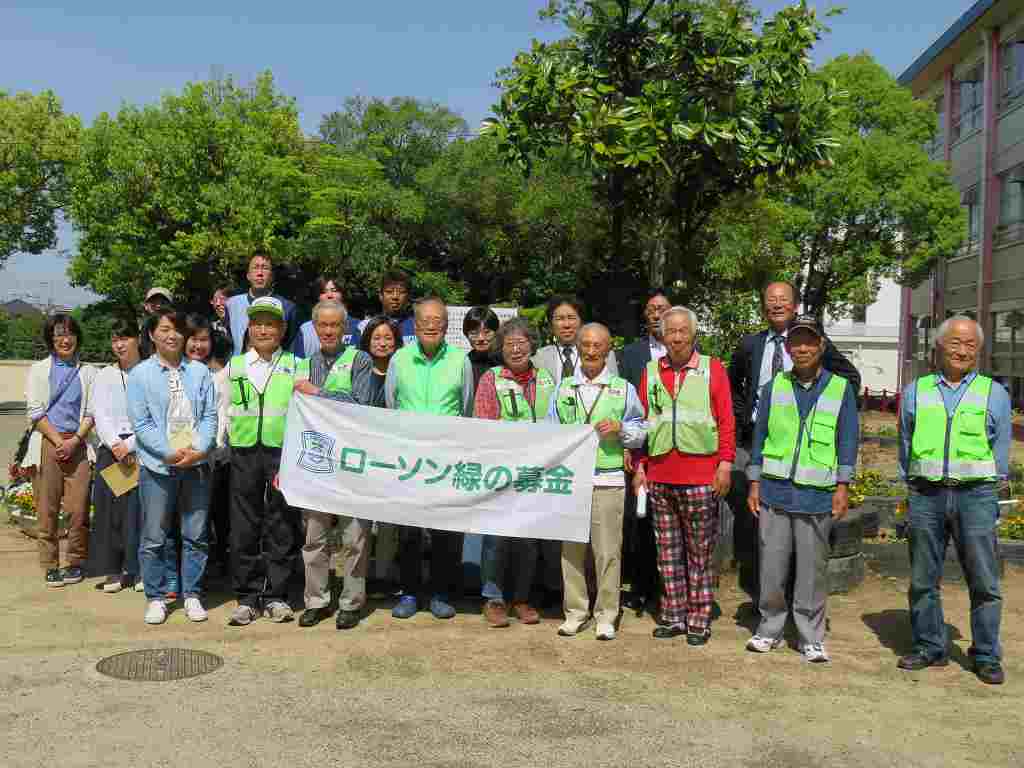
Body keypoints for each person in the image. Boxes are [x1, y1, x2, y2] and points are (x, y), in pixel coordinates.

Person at [727, 280, 860, 602]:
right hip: (758, 444)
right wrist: (748, 416)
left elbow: (851, 379)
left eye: (783, 299)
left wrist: (821, 410)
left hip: (807, 450)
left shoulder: (814, 343)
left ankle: (797, 598)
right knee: (758, 521)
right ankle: (761, 595)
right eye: (770, 300)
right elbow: (732, 386)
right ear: (763, 307)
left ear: (794, 304)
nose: (776, 304)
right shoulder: (751, 345)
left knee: (802, 529)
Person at [897, 315, 1011, 685]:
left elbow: (1000, 453)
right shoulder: (916, 390)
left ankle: (986, 654)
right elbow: (905, 443)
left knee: (984, 581)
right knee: (922, 578)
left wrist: (992, 496)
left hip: (975, 496)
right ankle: (930, 646)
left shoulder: (994, 393)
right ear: (940, 347)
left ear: (978, 351)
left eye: (970, 345)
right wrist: (913, 485)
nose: (962, 351)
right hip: (926, 494)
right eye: (955, 343)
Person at [744, 314, 858, 662]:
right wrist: (753, 482)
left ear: (821, 345)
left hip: (816, 494)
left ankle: (810, 635)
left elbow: (847, 439)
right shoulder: (773, 387)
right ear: (789, 348)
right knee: (772, 567)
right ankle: (770, 628)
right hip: (775, 492)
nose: (803, 348)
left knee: (811, 569)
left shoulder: (841, 389)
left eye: (809, 341)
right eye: (796, 342)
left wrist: (843, 485)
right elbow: (759, 438)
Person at [633, 307, 736, 646]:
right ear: (662, 336)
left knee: (700, 552)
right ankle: (673, 615)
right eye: (670, 332)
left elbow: (726, 421)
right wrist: (640, 466)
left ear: (693, 335)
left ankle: (698, 619)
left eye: (682, 331)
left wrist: (724, 464)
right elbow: (643, 422)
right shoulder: (650, 371)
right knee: (667, 553)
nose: (676, 337)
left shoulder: (712, 369)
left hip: (700, 476)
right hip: (661, 474)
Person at [548, 323, 645, 641]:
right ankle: (575, 612)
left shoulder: (623, 388)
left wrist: (620, 428)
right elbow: (549, 431)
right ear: (577, 347)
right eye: (585, 345)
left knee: (607, 551)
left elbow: (641, 430)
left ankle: (606, 614)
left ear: (608, 349)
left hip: (608, 477)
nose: (591, 351)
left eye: (597, 346)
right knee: (571, 550)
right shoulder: (563, 388)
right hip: (572, 480)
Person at [385, 296, 474, 619]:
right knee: (408, 529)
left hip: (446, 459)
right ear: (416, 324)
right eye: (425, 321)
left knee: (445, 529)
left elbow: (466, 409)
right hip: (409, 460)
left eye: (438, 321)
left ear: (446, 326)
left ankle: (441, 592)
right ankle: (409, 592)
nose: (432, 325)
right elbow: (391, 404)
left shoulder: (460, 361)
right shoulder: (400, 359)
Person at [127, 307, 217, 625]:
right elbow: (142, 423)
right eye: (164, 329)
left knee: (195, 534)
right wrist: (168, 453)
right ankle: (157, 596)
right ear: (152, 334)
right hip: (158, 467)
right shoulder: (140, 375)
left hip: (196, 465)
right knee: (154, 536)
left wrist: (199, 449)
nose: (172, 334)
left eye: (177, 328)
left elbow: (209, 417)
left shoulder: (200, 372)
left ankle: (192, 594)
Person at [292, 299, 376, 630]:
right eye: (322, 325)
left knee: (355, 536)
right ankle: (316, 600)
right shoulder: (304, 363)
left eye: (335, 325)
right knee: (314, 535)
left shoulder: (361, 360)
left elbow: (361, 404)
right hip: (316, 460)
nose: (328, 331)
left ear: (345, 329)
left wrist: (317, 393)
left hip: (352, 459)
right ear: (314, 328)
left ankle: (351, 602)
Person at [473, 317, 560, 627]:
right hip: (501, 469)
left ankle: (522, 597)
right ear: (501, 348)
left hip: (539, 470)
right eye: (509, 344)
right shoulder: (490, 379)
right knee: (496, 536)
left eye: (522, 342)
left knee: (528, 537)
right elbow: (483, 424)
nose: (516, 348)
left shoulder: (548, 379)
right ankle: (493, 598)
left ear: (532, 345)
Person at [225, 296, 302, 627]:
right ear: (249, 327)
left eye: (271, 323)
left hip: (281, 453)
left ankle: (277, 596)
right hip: (243, 452)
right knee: (244, 525)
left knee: (281, 523)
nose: (264, 329)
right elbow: (220, 409)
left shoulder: (298, 365)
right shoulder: (235, 366)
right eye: (257, 323)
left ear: (282, 329)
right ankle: (247, 596)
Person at [24, 313, 99, 588]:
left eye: (69, 334)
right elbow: (35, 411)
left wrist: (74, 441)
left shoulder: (90, 372)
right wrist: (58, 441)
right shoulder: (38, 369)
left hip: (78, 444)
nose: (64, 339)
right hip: (48, 442)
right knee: (47, 508)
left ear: (77, 337)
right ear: (50, 340)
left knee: (78, 509)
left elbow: (92, 411)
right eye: (58, 335)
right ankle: (50, 564)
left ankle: (75, 561)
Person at [617, 288, 673, 613]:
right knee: (639, 518)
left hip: (674, 448)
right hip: (640, 444)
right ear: (645, 315)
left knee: (668, 522)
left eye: (662, 308)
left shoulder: (686, 351)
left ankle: (667, 590)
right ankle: (639, 587)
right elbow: (624, 399)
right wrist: (628, 444)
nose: (656, 314)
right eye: (651, 309)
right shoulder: (632, 354)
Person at [87, 315, 144, 593]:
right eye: (115, 339)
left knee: (140, 511)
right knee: (111, 513)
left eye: (125, 338)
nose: (119, 344)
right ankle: (113, 570)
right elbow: (99, 412)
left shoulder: (149, 371)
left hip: (141, 448)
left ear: (138, 339)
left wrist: (131, 445)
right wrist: (115, 444)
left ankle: (138, 569)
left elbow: (156, 415)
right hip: (112, 449)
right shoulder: (105, 375)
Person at [224, 253, 300, 356]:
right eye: (255, 268)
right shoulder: (232, 304)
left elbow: (292, 348)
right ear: (248, 275)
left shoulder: (287, 308)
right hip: (239, 369)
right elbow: (229, 343)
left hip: (275, 368)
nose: (260, 273)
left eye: (265, 268)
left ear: (272, 276)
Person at [533, 295, 619, 386]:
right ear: (551, 324)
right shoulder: (539, 357)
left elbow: (615, 389)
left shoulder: (603, 353)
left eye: (571, 318)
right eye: (560, 319)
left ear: (581, 322)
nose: (566, 325)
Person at [292, 275, 363, 358]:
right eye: (323, 291)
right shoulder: (306, 330)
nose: (329, 295)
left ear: (342, 294)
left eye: (334, 290)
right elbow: (297, 364)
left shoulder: (359, 327)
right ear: (318, 297)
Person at [359, 269, 416, 345]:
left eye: (401, 292)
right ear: (380, 295)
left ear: (408, 296)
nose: (395, 297)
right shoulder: (364, 326)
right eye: (389, 292)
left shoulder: (418, 326)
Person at [359, 315, 404, 408]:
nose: (382, 344)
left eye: (388, 338)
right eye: (376, 338)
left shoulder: (402, 371)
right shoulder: (359, 371)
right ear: (368, 341)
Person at [463, 306, 501, 390]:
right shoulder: (463, 364)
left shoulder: (506, 361)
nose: (481, 338)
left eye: (487, 332)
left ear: (496, 332)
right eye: (474, 333)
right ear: (466, 334)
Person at [139, 287, 173, 358]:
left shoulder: (180, 326)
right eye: (153, 302)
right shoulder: (138, 329)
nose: (158, 305)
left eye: (163, 302)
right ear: (146, 306)